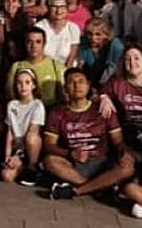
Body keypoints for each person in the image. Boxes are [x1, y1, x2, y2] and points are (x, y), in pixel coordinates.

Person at [44, 68, 135, 200]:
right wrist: (70, 153)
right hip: (74, 164)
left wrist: (123, 152)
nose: (77, 86)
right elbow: (48, 145)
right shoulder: (57, 113)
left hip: (101, 163)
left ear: (88, 85)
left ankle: (76, 191)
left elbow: (118, 141)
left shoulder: (102, 109)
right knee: (50, 161)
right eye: (72, 82)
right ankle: (100, 188)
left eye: (81, 81)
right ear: (66, 88)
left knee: (128, 168)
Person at [0, 67, 45, 185]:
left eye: (27, 82)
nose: (23, 86)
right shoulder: (12, 105)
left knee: (32, 137)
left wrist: (20, 155)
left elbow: (34, 130)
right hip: (17, 146)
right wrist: (8, 156)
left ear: (33, 85)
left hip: (29, 148)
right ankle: (20, 170)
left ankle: (32, 168)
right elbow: (10, 132)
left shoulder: (37, 105)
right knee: (6, 176)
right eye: (19, 83)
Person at [6, 26, 65, 107]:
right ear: (25, 43)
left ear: (44, 43)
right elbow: (11, 95)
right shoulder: (16, 67)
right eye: (29, 42)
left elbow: (64, 96)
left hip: (50, 111)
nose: (34, 46)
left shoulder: (56, 65)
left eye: (38, 42)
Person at [35, 0, 81, 67]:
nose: (58, 10)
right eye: (54, 7)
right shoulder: (40, 27)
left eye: (62, 7)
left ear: (67, 9)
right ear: (49, 8)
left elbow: (72, 57)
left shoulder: (73, 28)